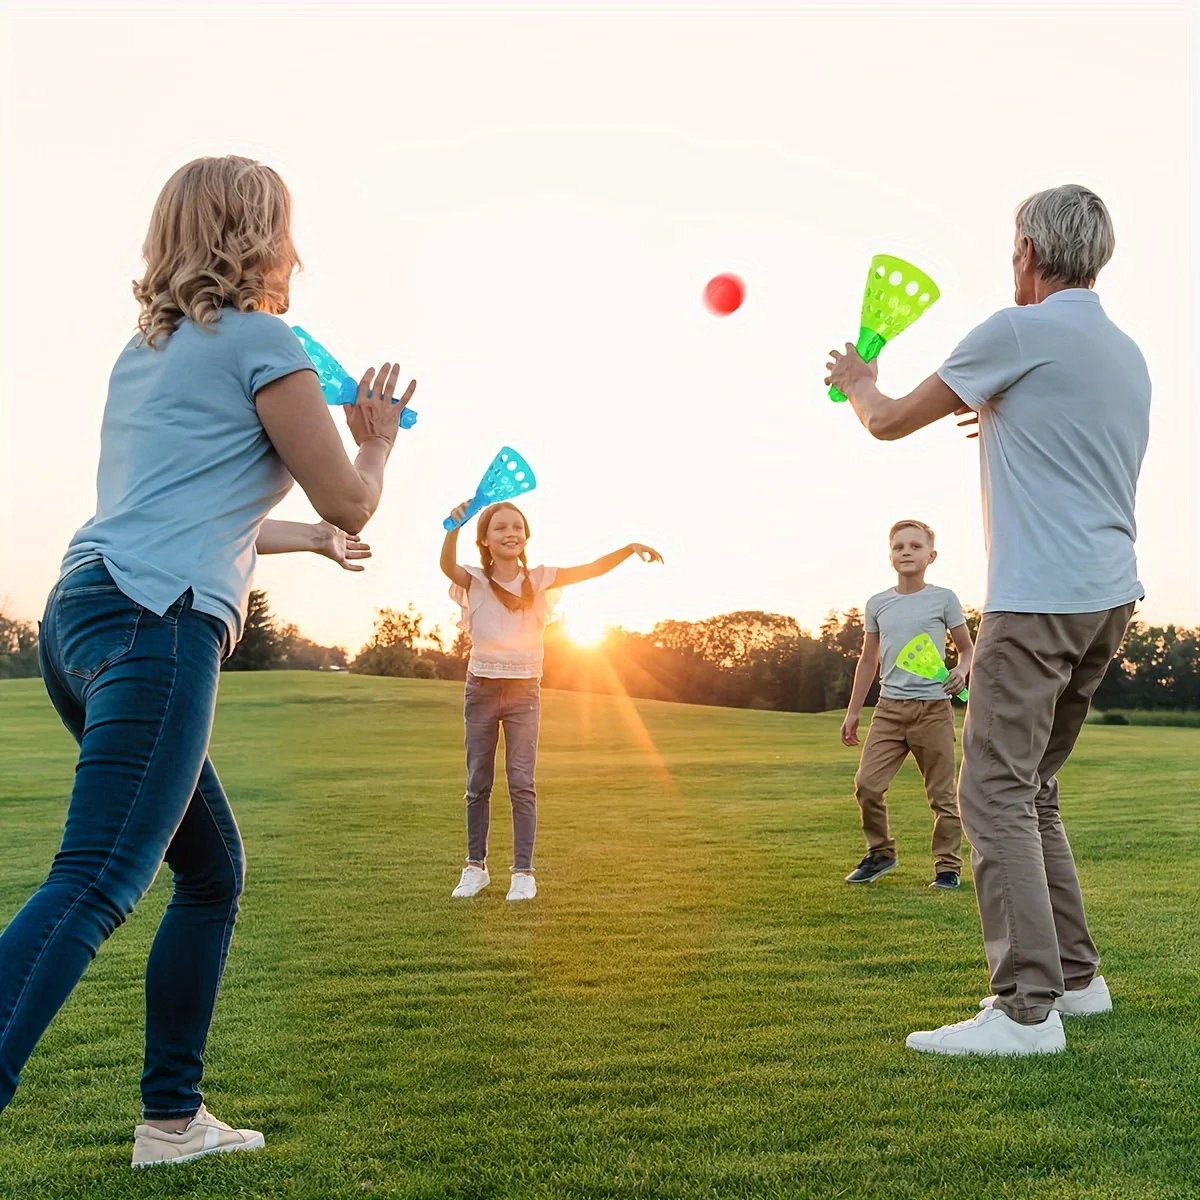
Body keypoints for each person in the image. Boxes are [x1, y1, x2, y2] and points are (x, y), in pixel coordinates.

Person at [0, 155, 416, 1164]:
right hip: (158, 622)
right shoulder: (266, 343)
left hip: (82, 615)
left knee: (212, 871)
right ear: (262, 233)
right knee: (98, 879)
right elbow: (351, 500)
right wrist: (374, 441)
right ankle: (163, 1115)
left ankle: (173, 1122)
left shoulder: (146, 352)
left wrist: (309, 544)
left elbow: (194, 506)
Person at [826, 184, 1150, 1057]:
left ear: (1031, 254)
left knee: (991, 791)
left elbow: (888, 422)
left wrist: (860, 381)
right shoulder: (1123, 353)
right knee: (1033, 786)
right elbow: (1062, 434)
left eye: (1014, 247)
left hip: (1039, 598)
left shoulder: (1015, 331)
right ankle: (1077, 981)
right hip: (1109, 598)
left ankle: (1024, 1011)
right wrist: (1006, 418)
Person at [440, 501, 662, 901]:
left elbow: (591, 569)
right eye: (501, 528)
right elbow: (447, 565)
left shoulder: (540, 580)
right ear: (486, 540)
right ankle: (476, 868)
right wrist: (453, 526)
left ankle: (523, 874)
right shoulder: (474, 580)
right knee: (478, 783)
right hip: (482, 690)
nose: (511, 533)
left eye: (518, 527)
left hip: (525, 691)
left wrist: (629, 548)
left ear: (526, 536)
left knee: (522, 783)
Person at [841, 520, 974, 890]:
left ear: (931, 556)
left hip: (932, 710)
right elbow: (868, 661)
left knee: (942, 796)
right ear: (890, 556)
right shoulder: (878, 604)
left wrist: (961, 671)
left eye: (915, 546)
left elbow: (967, 649)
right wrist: (853, 711)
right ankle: (880, 853)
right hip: (888, 710)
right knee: (867, 785)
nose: (906, 552)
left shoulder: (943, 599)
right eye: (899, 546)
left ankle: (947, 868)